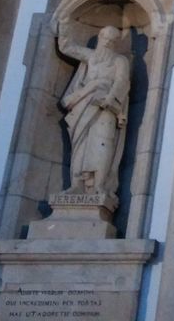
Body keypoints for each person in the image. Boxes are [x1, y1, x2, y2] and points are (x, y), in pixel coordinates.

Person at [56, 21, 132, 202]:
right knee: (80, 143)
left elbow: (122, 82)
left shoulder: (119, 60)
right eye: (105, 38)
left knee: (103, 142)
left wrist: (110, 98)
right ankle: (76, 186)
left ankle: (99, 186)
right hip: (83, 106)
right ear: (100, 38)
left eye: (111, 41)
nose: (107, 43)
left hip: (106, 107)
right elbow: (67, 47)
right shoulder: (90, 56)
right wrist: (64, 24)